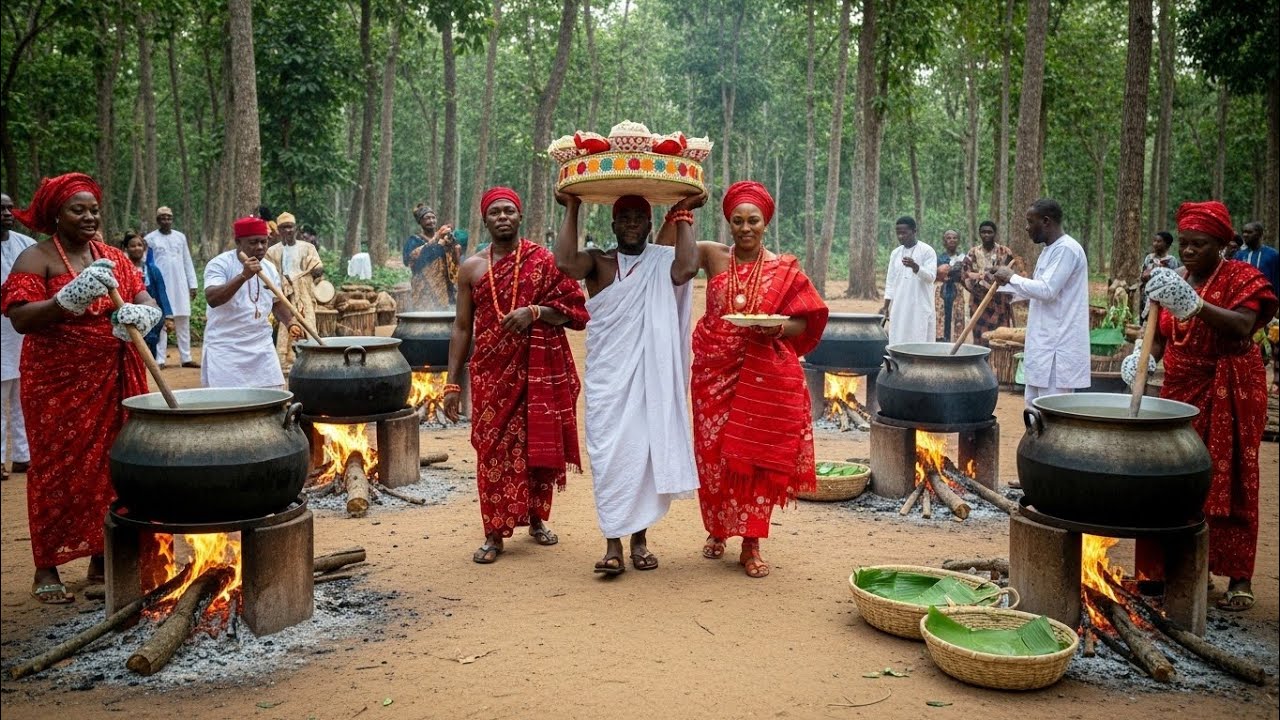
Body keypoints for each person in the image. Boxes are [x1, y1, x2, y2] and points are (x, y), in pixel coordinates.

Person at [1, 172, 162, 604]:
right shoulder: (36, 258)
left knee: (114, 465)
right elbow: (19, 316)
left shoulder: (113, 258)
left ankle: (101, 560)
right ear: (57, 214)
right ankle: (46, 566)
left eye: (94, 210)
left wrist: (145, 314)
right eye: (78, 210)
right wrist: (65, 301)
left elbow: (142, 296)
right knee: (57, 468)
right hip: (57, 383)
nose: (90, 217)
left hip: (113, 374)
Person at [1122, 202, 1276, 612]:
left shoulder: (1242, 278)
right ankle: (1184, 568)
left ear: (1221, 244)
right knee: (1174, 476)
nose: (1188, 251)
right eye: (1185, 243)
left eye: (1199, 244)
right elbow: (1159, 335)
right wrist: (1142, 358)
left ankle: (1239, 577)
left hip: (1229, 385)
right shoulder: (1173, 280)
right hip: (1180, 387)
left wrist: (1195, 305)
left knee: (1230, 476)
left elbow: (1243, 325)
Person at [553, 190, 703, 576]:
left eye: (639, 218)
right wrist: (572, 206)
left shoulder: (661, 260)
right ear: (613, 224)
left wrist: (684, 215)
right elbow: (565, 262)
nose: (632, 224)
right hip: (608, 381)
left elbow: (687, 269)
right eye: (625, 218)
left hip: (648, 379)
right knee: (610, 458)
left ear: (651, 225)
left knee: (642, 456)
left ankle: (639, 541)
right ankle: (612, 544)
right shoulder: (597, 262)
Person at [688, 181, 828, 578]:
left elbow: (805, 320)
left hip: (763, 374)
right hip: (712, 373)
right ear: (728, 223)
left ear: (765, 223)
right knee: (714, 457)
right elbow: (669, 257)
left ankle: (751, 543)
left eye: (753, 221)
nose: (746, 228)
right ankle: (717, 529)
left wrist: (776, 327)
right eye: (738, 221)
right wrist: (683, 208)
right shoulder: (712, 255)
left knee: (754, 458)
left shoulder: (783, 268)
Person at [442, 187, 588, 564]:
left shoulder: (544, 260)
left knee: (537, 444)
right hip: (491, 373)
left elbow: (574, 310)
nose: (503, 217)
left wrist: (535, 312)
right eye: (495, 212)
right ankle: (494, 532)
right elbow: (462, 328)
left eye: (509, 211)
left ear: (520, 216)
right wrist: (453, 382)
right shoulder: (471, 268)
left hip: (537, 371)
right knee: (492, 450)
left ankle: (536, 519)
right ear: (485, 220)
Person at [991, 199, 1090, 408]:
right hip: (1042, 345)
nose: (1027, 228)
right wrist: (1004, 282)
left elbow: (1047, 290)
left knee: (1053, 412)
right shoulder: (1049, 250)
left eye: (1030, 221)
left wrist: (1012, 277)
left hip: (1058, 349)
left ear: (1046, 221)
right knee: (1032, 409)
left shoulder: (1067, 249)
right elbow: (1037, 289)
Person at [202, 217, 302, 389]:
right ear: (238, 242)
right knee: (229, 401)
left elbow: (276, 302)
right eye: (253, 242)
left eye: (264, 241)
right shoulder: (219, 264)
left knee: (272, 397)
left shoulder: (269, 268)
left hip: (262, 346)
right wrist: (243, 276)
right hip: (226, 348)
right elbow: (212, 298)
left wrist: (290, 322)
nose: (260, 247)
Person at [1, 193, 35, 481]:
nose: (7, 213)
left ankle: (23, 456)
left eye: (10, 208)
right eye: (1, 209)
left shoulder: (26, 245)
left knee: (24, 396)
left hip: (22, 329)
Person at [265, 212, 323, 371]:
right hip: (283, 296)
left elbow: (317, 267)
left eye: (290, 227)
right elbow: (270, 275)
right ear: (278, 230)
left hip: (304, 294)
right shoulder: (272, 252)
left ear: (295, 228)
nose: (288, 230)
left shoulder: (308, 248)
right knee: (287, 326)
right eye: (283, 227)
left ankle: (312, 360)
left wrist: (317, 270)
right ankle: (285, 361)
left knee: (308, 324)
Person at [144, 206, 199, 368]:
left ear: (172, 219)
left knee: (183, 320)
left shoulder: (180, 237)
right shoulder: (150, 239)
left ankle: (186, 358)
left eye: (169, 217)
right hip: (161, 286)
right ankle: (160, 359)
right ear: (157, 220)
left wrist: (193, 284)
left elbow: (187, 261)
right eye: (163, 218)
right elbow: (147, 264)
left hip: (180, 284)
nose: (166, 220)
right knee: (162, 321)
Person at [879, 216, 936, 346]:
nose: (900, 236)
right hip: (899, 306)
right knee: (898, 339)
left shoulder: (927, 251)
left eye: (904, 233)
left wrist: (915, 267)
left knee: (919, 339)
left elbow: (931, 277)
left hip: (919, 306)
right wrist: (886, 306)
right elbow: (890, 281)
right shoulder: (895, 253)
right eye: (898, 233)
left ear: (914, 231)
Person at [961, 220, 1016, 345]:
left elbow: (1009, 275)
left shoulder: (1004, 252)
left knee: (1001, 339)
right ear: (979, 234)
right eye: (983, 232)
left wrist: (982, 277)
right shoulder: (972, 253)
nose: (986, 235)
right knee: (981, 340)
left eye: (989, 232)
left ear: (995, 233)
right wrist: (984, 280)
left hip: (1000, 303)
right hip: (979, 303)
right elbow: (965, 275)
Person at [121, 231, 174, 359]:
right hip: (129, 318)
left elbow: (161, 293)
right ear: (126, 249)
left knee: (150, 351)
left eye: (140, 245)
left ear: (144, 248)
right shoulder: (121, 270)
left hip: (150, 319)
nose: (137, 248)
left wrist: (168, 317)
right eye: (133, 246)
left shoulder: (153, 270)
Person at [403, 205, 465, 311]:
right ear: (420, 221)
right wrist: (436, 239)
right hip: (424, 289)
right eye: (427, 218)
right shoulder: (414, 240)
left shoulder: (444, 238)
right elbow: (409, 260)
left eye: (433, 217)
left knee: (444, 315)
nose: (431, 221)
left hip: (444, 289)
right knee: (425, 317)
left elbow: (453, 262)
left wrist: (452, 247)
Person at [1139, 231, 1182, 322]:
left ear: (1167, 244)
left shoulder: (1172, 261)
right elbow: (1142, 275)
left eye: (1159, 241)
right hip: (1147, 296)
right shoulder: (1149, 258)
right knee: (1146, 321)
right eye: (1154, 241)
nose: (1155, 244)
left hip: (1164, 299)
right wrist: (1145, 277)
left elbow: (1174, 280)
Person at [935, 229, 967, 342]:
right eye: (948, 238)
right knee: (941, 318)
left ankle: (956, 346)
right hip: (941, 292)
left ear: (958, 241)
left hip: (957, 292)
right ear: (944, 241)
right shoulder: (938, 258)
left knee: (957, 318)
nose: (952, 240)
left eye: (954, 238)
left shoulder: (963, 258)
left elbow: (966, 275)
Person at [1236, 221, 1279, 306]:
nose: (1245, 235)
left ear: (1259, 234)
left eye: (1249, 232)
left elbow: (1277, 280)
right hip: (1243, 302)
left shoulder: (1272, 255)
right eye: (1244, 232)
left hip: (1267, 302)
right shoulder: (1239, 255)